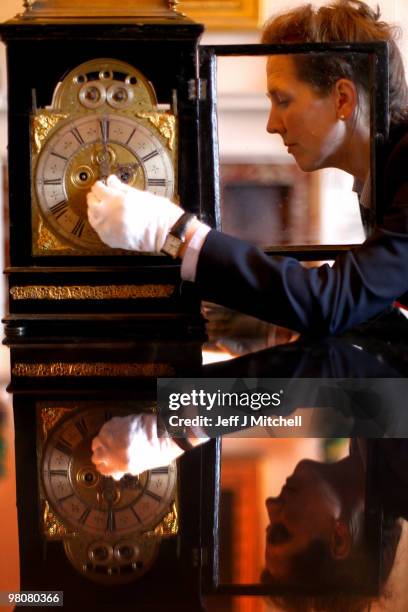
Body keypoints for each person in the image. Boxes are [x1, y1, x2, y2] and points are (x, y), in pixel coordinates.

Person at [87, 0, 408, 338]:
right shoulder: (385, 167)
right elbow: (370, 304)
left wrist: (175, 232)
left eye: (283, 100)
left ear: (342, 98)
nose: (272, 124)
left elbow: (330, 302)